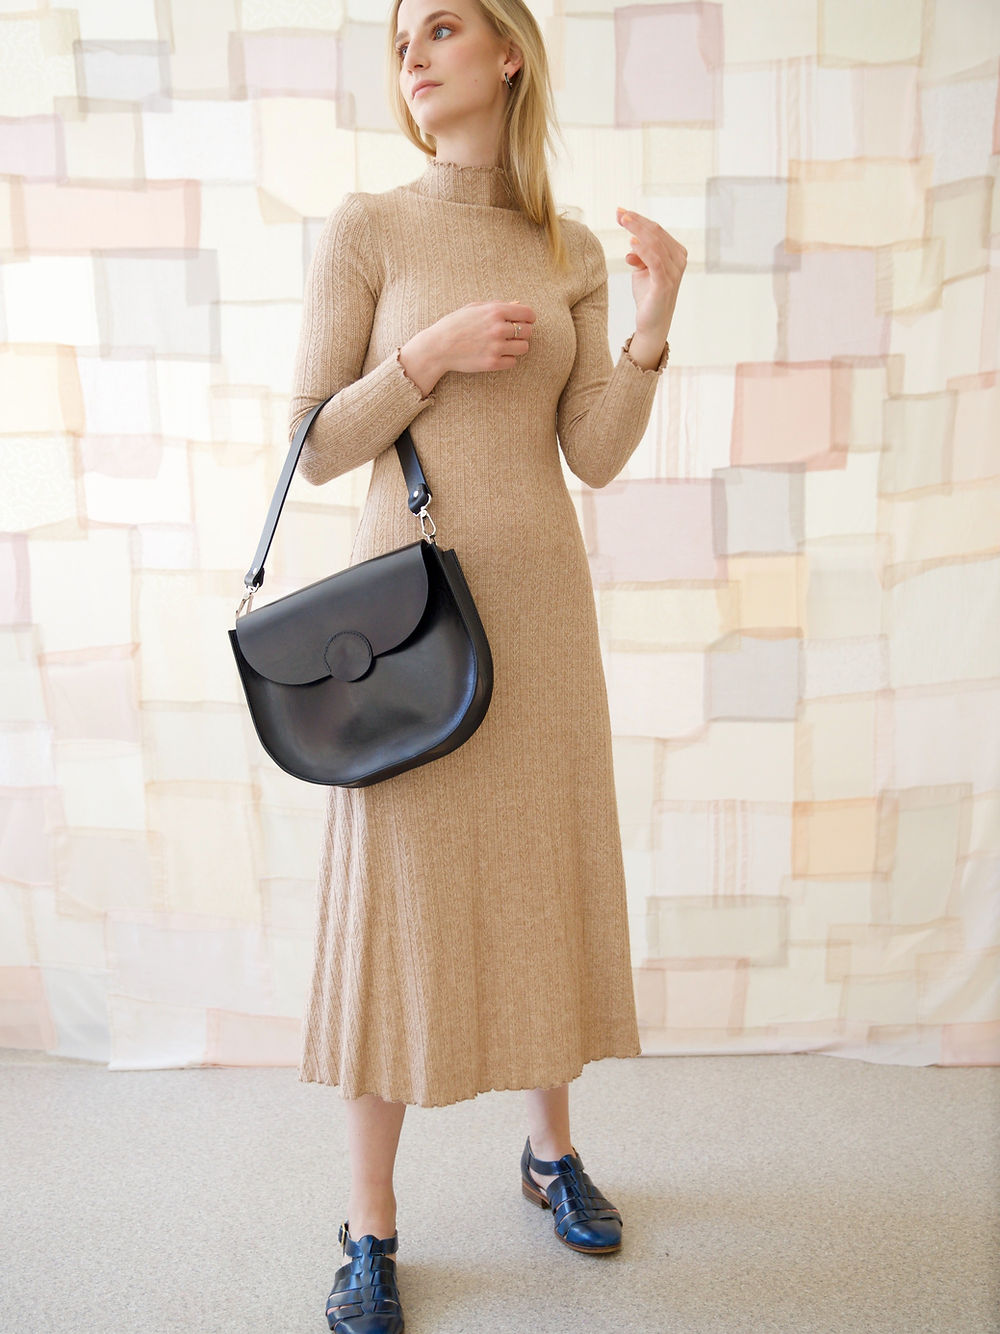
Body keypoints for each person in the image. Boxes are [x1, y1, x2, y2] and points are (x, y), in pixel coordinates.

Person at [288, 1, 686, 1329]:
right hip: (402, 619)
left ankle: (550, 1150)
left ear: (507, 52)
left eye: (442, 25)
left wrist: (651, 320)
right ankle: (370, 1222)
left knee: (536, 879)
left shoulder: (565, 246)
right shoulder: (370, 227)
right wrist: (427, 355)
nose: (413, 48)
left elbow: (596, 451)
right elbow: (315, 442)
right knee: (394, 899)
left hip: (540, 614)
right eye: (403, 35)